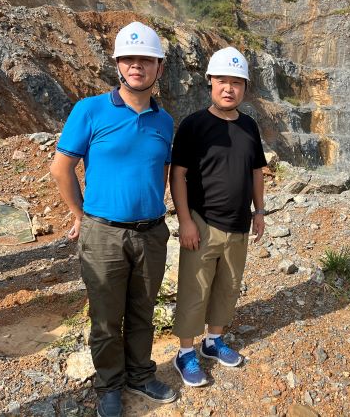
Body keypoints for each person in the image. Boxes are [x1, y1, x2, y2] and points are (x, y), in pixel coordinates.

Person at [50, 21, 176, 417]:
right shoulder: (90, 110)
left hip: (151, 233)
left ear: (159, 67)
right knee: (105, 318)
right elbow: (61, 169)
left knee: (143, 311)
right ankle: (109, 385)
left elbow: (162, 173)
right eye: (128, 58)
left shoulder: (164, 121)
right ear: (118, 64)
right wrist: (81, 215)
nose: (137, 65)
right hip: (103, 234)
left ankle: (140, 374)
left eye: (146, 59)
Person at [170, 47, 267, 387]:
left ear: (245, 88)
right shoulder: (194, 125)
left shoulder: (249, 126)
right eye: (222, 80)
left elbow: (256, 171)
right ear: (210, 82)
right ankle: (185, 352)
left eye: (236, 82)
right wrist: (185, 221)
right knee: (194, 289)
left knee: (228, 286)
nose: (229, 88)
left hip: (239, 223)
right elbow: (178, 175)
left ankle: (213, 341)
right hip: (203, 222)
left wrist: (259, 211)